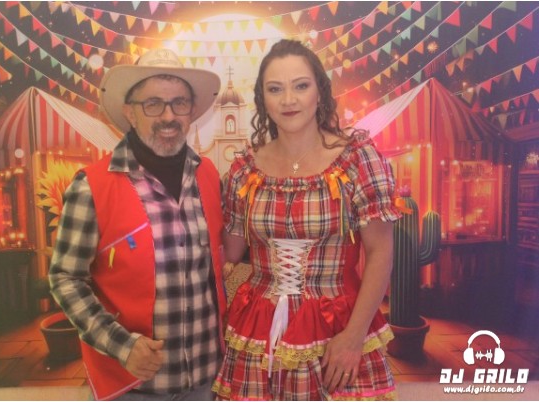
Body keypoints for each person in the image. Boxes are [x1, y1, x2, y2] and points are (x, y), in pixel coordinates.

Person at [212, 39, 401, 400]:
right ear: (262, 99)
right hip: (258, 329)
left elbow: (380, 252)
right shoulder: (243, 171)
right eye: (275, 89)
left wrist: (353, 337)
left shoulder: (356, 159)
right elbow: (229, 252)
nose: (289, 100)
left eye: (300, 86)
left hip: (338, 325)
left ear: (319, 92)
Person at [49, 48, 226, 401]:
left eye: (179, 103)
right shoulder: (91, 186)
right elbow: (65, 278)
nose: (168, 116)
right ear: (130, 112)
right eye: (153, 104)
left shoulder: (208, 175)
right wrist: (121, 345)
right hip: (132, 387)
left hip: (207, 381)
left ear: (191, 111)